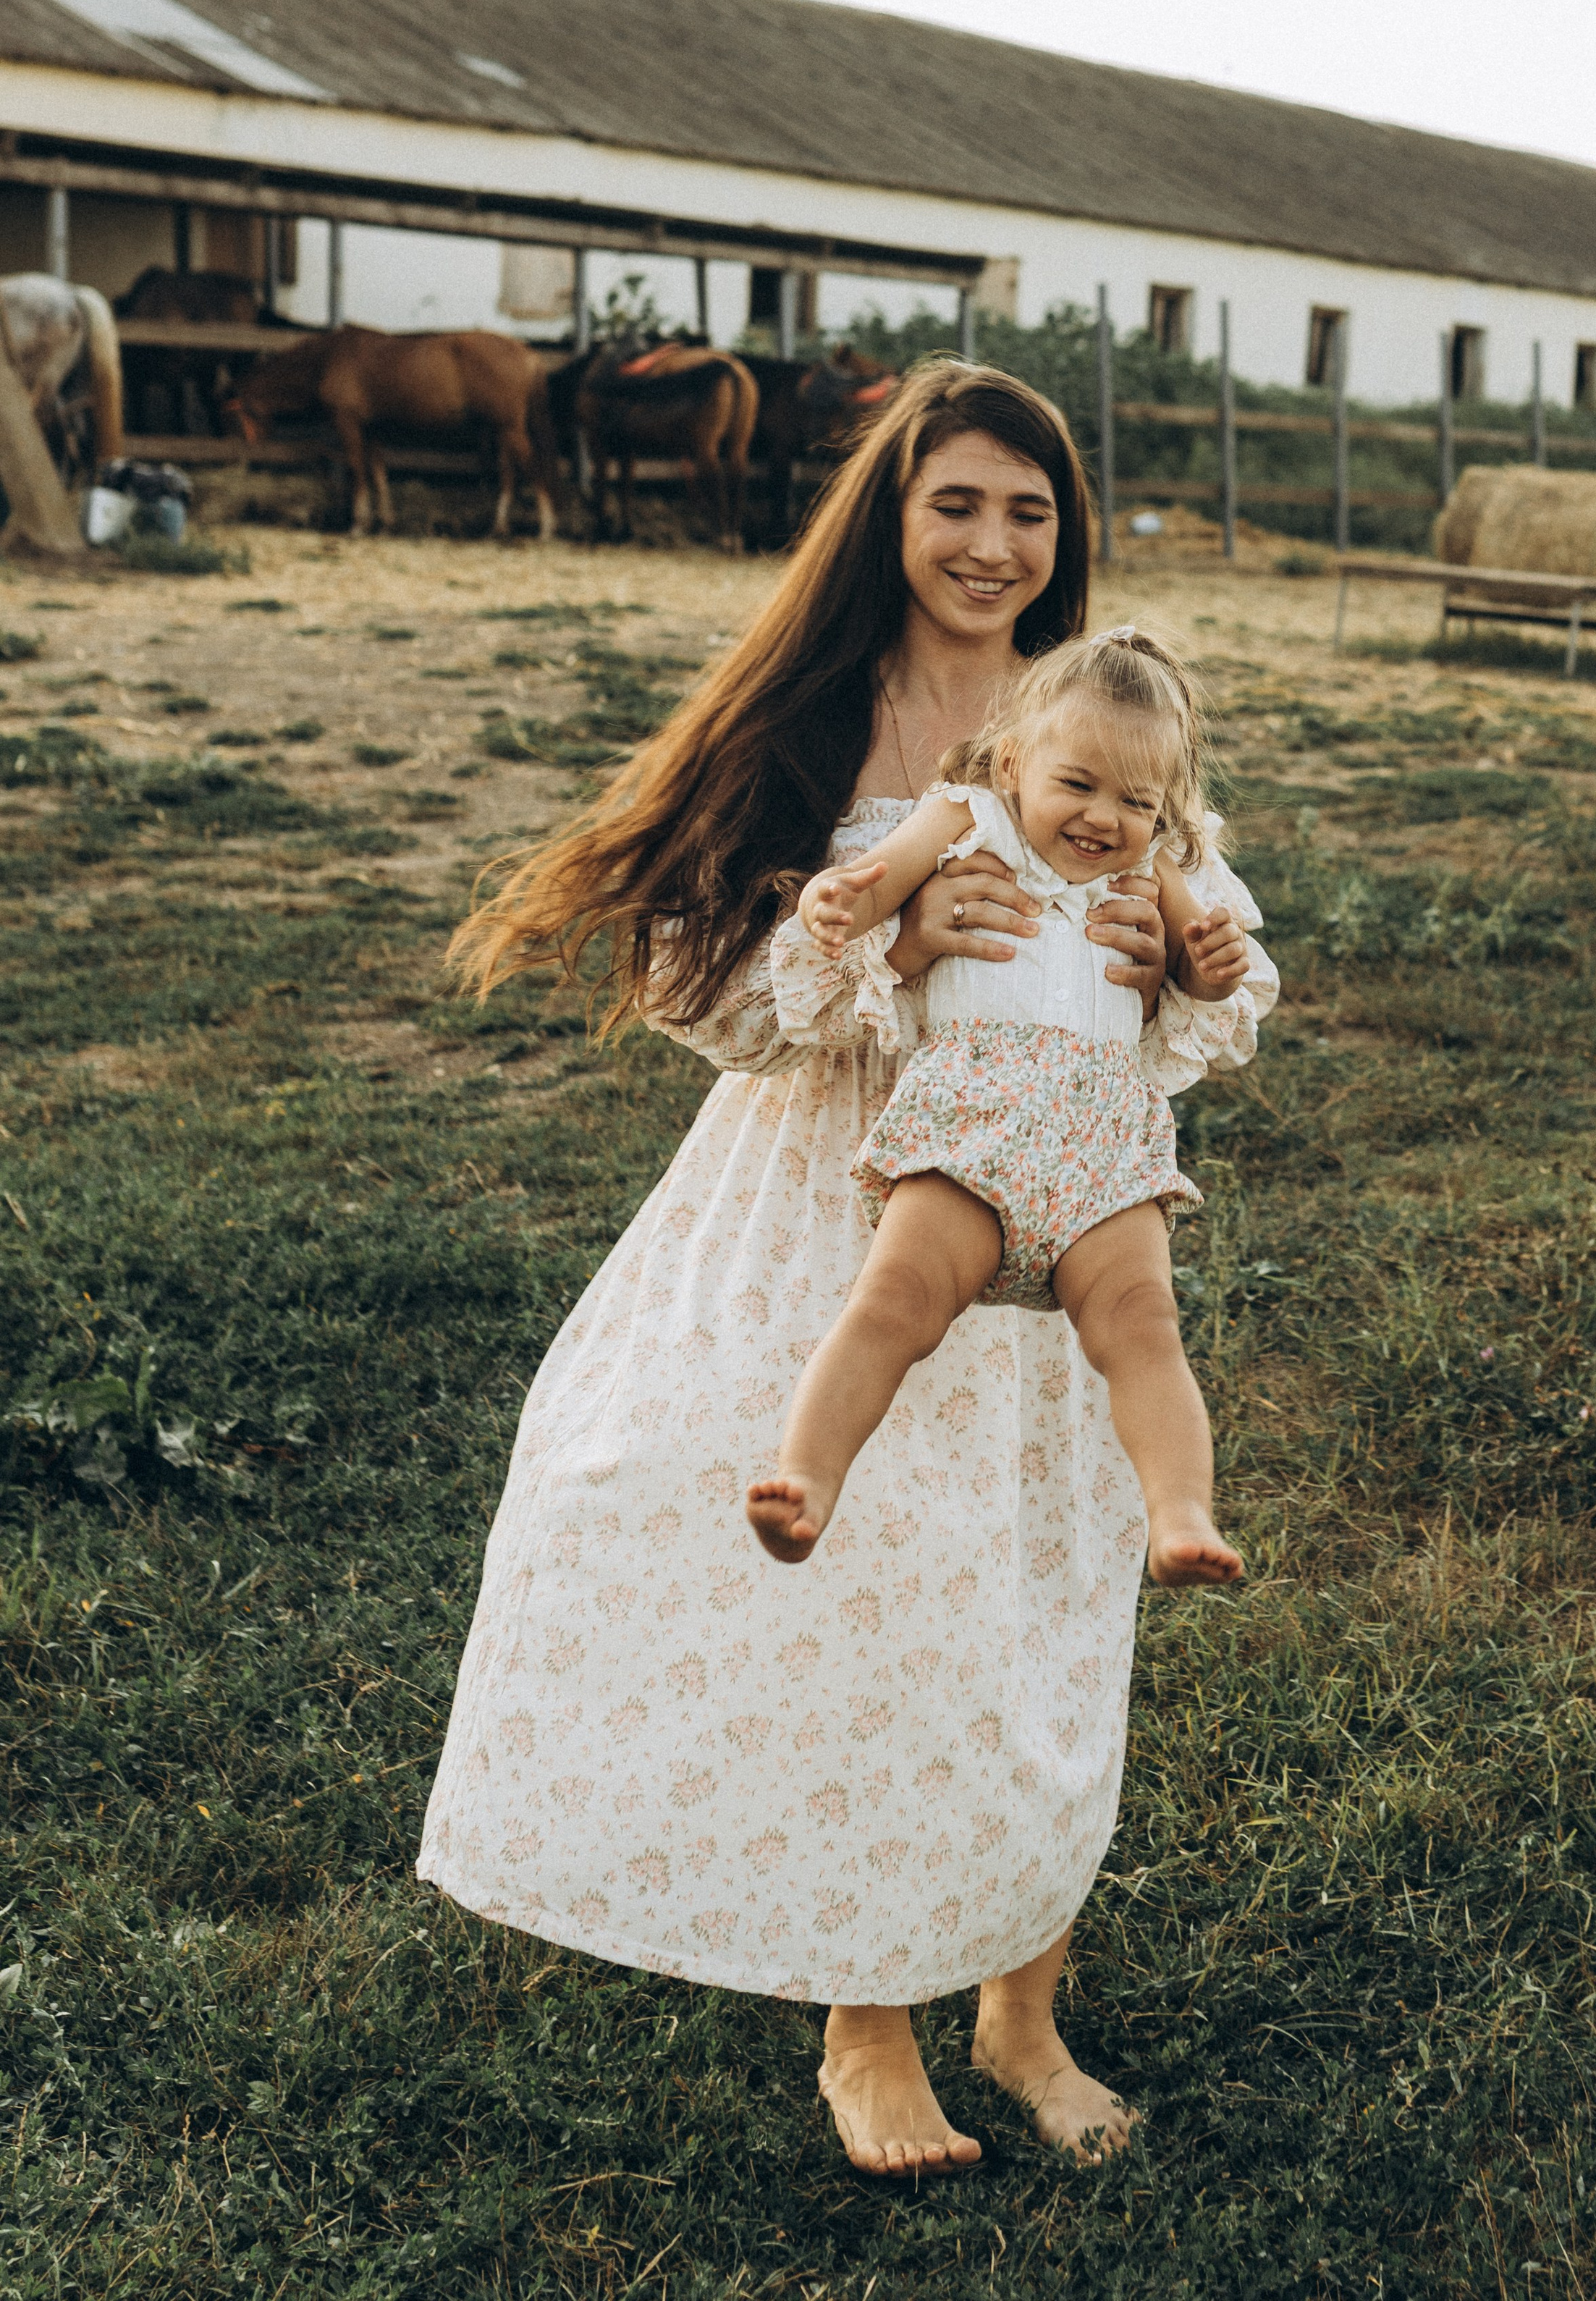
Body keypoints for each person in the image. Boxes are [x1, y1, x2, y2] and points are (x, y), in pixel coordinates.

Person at [418, 358, 1279, 2177]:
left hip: (1050, 1212)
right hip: (842, 1200)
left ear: (1066, 537)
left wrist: (1165, 964)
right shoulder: (813, 713)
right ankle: (865, 2024)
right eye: (953, 502)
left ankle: (1022, 2013)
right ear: (890, 514)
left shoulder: (1093, 716)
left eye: (1026, 511)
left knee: (1037, 1607)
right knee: (867, 1604)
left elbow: (1219, 978)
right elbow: (686, 979)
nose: (988, 543)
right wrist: (888, 939)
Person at [748, 628, 1249, 1591]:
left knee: (1143, 1326)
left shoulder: (1157, 864)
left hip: (1101, 1148)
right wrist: (834, 906)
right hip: (968, 1128)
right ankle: (804, 1480)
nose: (1105, 818)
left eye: (1137, 801)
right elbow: (872, 887)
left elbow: (1203, 970)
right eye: (1079, 785)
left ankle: (1181, 1516)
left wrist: (1209, 965)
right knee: (894, 1303)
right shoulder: (966, 816)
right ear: (1016, 759)